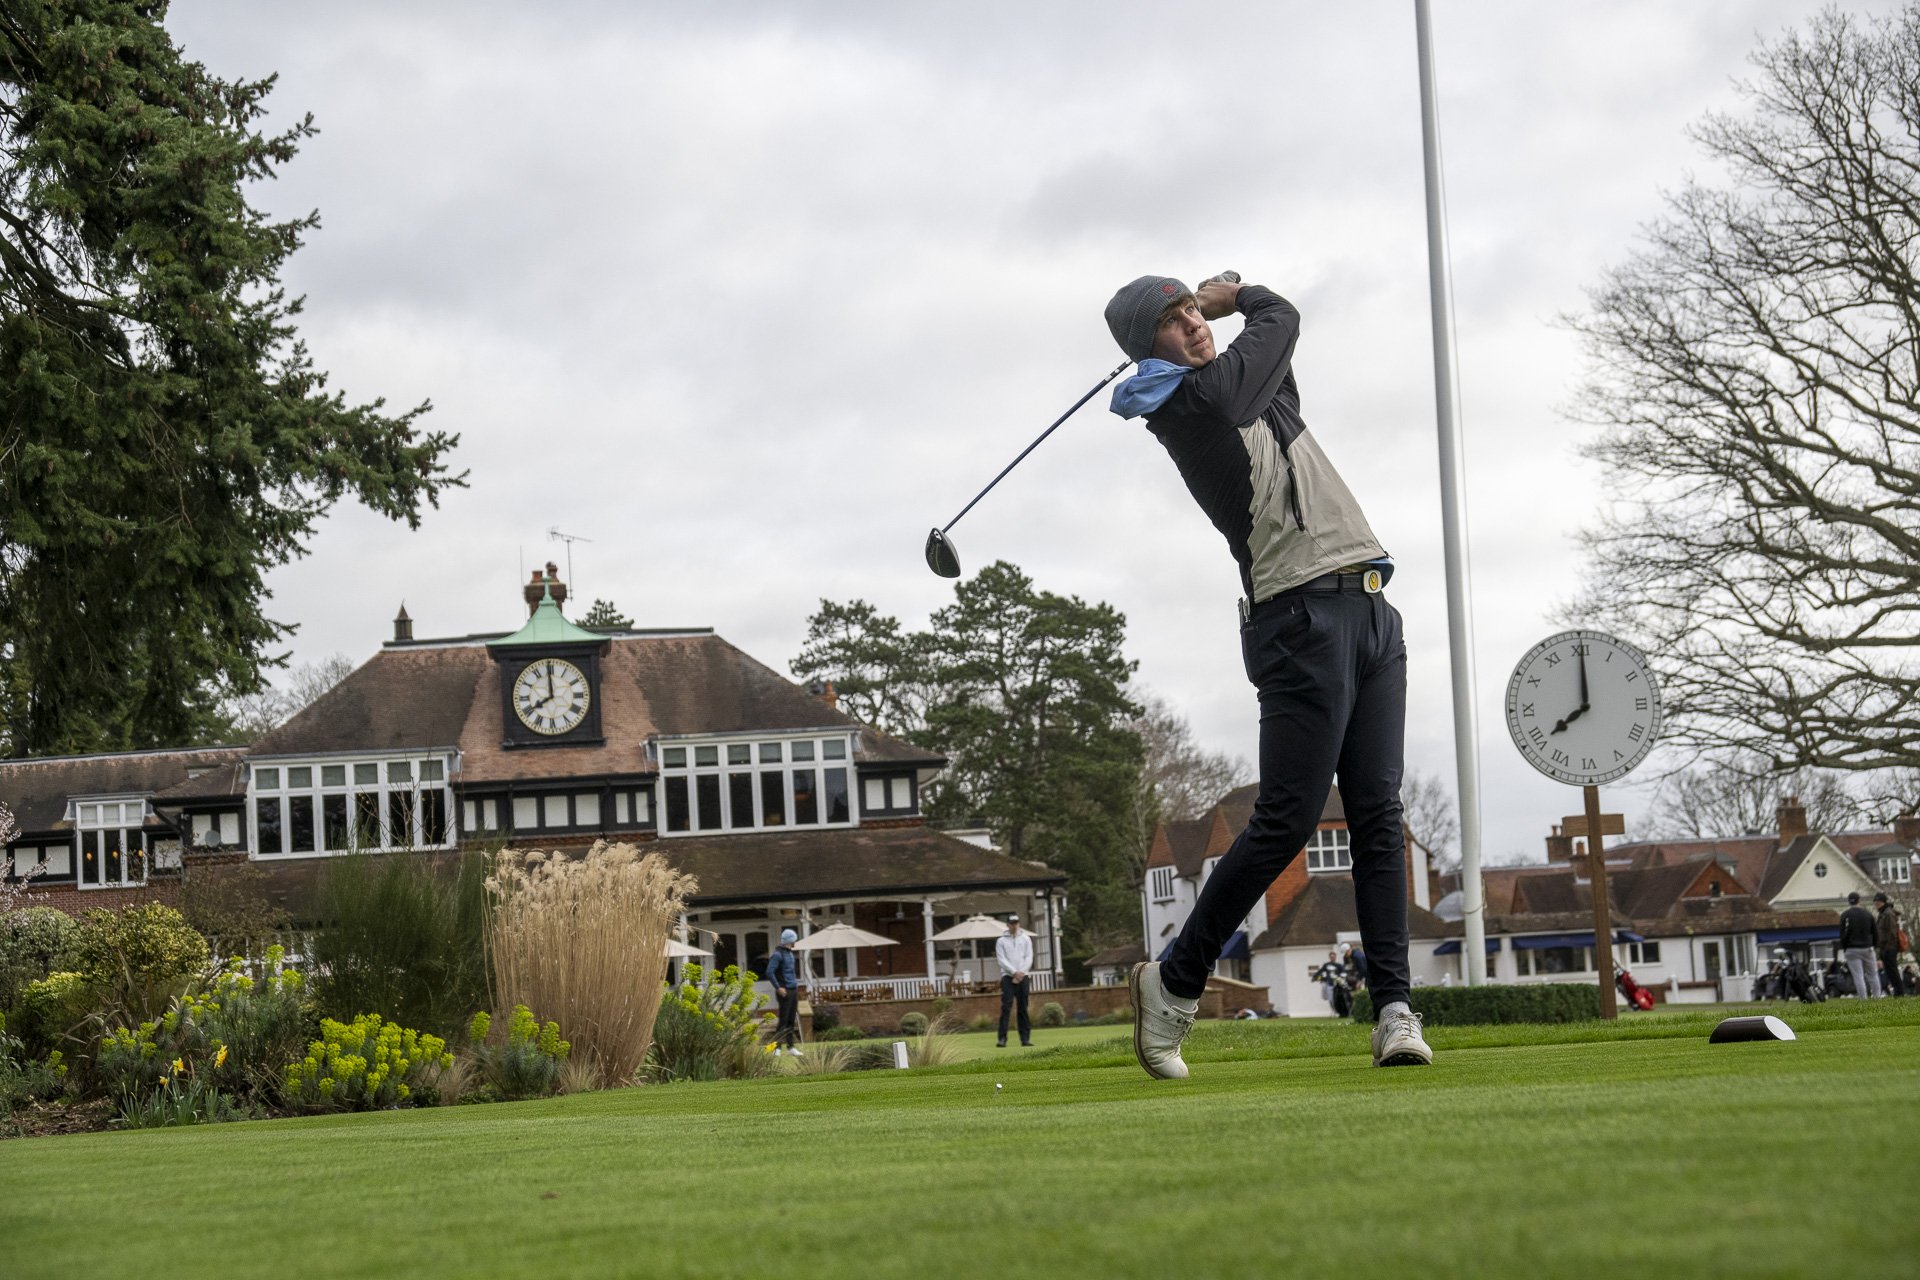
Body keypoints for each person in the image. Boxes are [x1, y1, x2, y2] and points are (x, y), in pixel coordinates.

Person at [1108, 271, 1430, 1077]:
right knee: (1287, 818)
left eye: (1191, 310)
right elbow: (1280, 316)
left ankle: (1394, 1010)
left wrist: (1227, 309)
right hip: (1297, 618)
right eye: (1172, 320)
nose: (1191, 324)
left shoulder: (1253, 387)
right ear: (1146, 350)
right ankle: (1175, 984)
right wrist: (1236, 294)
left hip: (1369, 609)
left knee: (1378, 817)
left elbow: (1279, 343)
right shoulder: (1194, 404)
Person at [995, 914, 1034, 1048]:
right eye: (1012, 923)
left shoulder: (1026, 939)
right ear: (1007, 925)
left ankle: (1025, 1039)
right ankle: (1002, 1039)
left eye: (1016, 923)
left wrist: (1021, 972)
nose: (1014, 926)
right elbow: (1001, 960)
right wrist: (1014, 972)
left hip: (1023, 977)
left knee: (1023, 1008)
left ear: (1019, 924)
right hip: (1008, 977)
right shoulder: (1001, 941)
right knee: (1006, 1007)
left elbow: (1029, 957)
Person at [1838, 892, 1882, 999]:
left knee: (1858, 976)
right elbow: (1875, 933)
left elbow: (1842, 934)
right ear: (1859, 900)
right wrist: (1874, 946)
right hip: (1867, 948)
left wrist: (1845, 948)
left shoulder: (1845, 915)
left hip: (1851, 949)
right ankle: (1877, 997)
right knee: (1873, 974)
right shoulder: (1867, 914)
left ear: (1849, 901)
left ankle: (1863, 998)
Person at [767, 928, 803, 1054]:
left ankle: (790, 1047)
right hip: (784, 991)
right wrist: (778, 987)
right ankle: (775, 1048)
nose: (795, 942)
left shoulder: (790, 953)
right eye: (794, 940)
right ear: (790, 940)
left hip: (793, 990)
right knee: (783, 1021)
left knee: (790, 1020)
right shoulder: (778, 955)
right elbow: (769, 972)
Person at [1873, 892, 1906, 997]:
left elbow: (1892, 932)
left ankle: (1899, 992)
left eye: (1878, 902)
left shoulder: (1888, 913)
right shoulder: (1882, 913)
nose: (1876, 904)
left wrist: (1887, 947)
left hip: (1889, 947)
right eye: (1875, 902)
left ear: (1883, 902)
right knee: (1889, 971)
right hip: (1884, 947)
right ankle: (1897, 991)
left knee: (1893, 970)